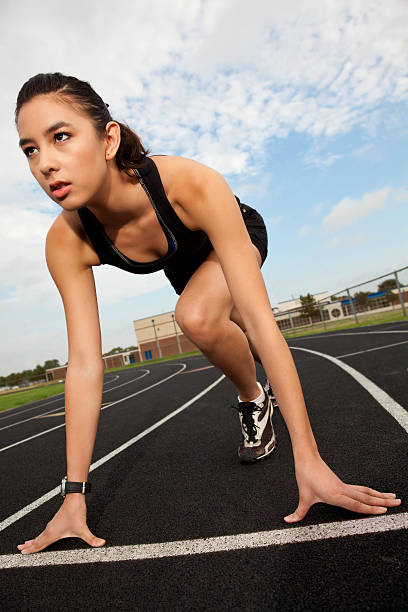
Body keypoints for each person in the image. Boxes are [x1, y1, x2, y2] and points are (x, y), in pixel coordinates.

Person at [15, 73, 400, 555]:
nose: (46, 163)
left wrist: (311, 459)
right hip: (185, 263)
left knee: (199, 316)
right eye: (30, 149)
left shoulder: (189, 183)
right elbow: (86, 365)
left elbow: (262, 322)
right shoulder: (65, 241)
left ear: (108, 138)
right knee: (201, 315)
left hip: (233, 232)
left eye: (61, 136)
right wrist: (73, 497)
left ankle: (262, 401)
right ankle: (254, 398)